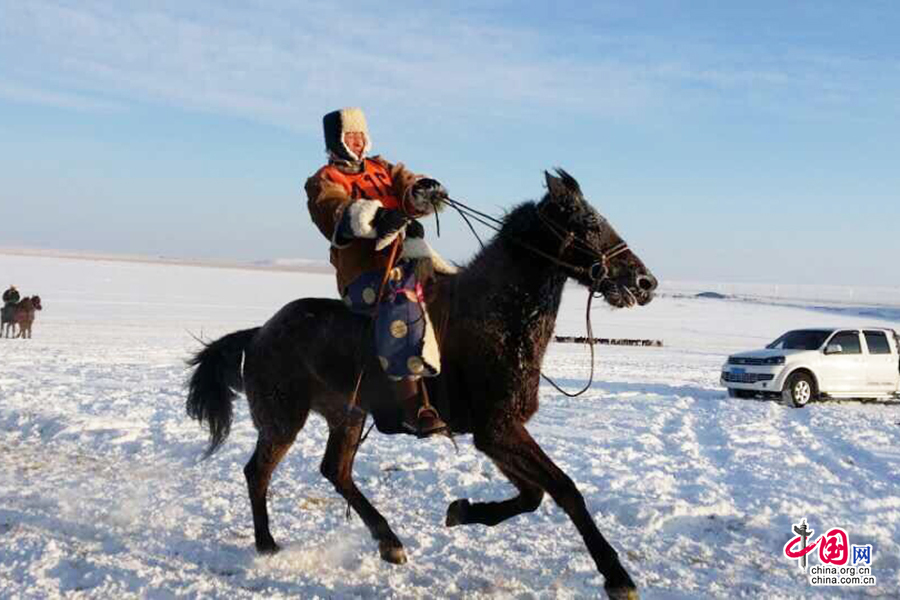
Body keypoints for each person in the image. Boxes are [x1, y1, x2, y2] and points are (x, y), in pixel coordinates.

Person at [305, 107, 456, 437]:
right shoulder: (324, 179)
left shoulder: (381, 167)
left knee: (454, 290)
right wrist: (371, 217)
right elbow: (331, 211)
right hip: (364, 275)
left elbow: (406, 184)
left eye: (360, 136)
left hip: (405, 259)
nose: (357, 143)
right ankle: (411, 407)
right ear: (337, 141)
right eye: (350, 137)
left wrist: (423, 191)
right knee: (399, 298)